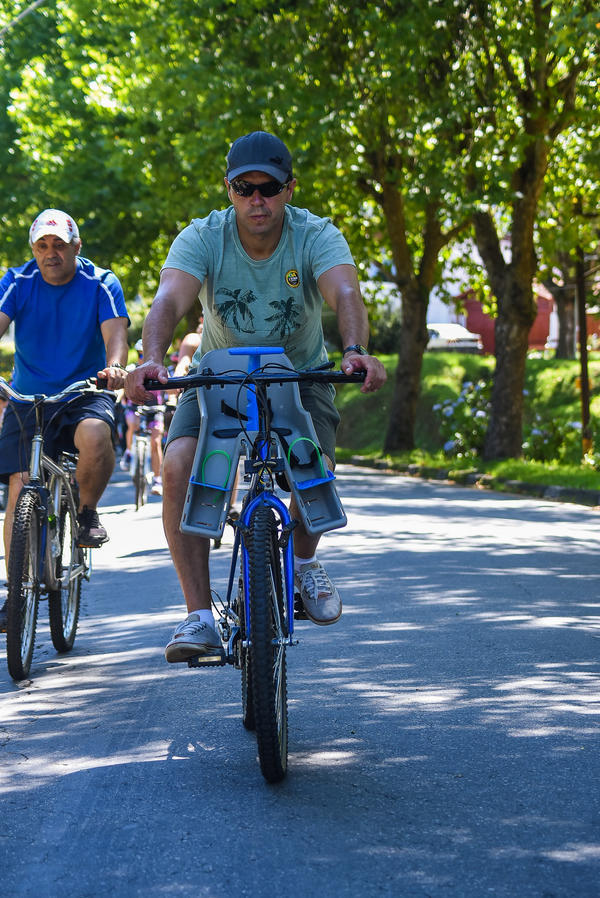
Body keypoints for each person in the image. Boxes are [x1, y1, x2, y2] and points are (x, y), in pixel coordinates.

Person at [125, 131, 386, 663]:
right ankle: (198, 617)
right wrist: (152, 358)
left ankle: (304, 562)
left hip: (300, 375)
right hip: (218, 376)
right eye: (245, 188)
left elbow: (345, 292)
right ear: (229, 189)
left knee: (317, 466)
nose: (257, 200)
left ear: (289, 189)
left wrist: (356, 348)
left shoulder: (315, 234)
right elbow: (170, 299)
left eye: (268, 188)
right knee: (176, 465)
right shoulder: (203, 237)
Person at [0, 208, 129, 630]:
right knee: (20, 485)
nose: (51, 253)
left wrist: (114, 368)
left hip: (83, 391)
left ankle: (87, 512)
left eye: (59, 245)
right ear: (33, 250)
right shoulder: (17, 282)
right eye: (42, 246)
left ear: (77, 246)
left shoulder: (100, 282)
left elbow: (116, 337)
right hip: (28, 396)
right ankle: (14, 589)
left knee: (95, 435)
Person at [120, 339, 165, 495]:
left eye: (144, 354)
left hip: (155, 409)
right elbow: (122, 387)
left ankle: (158, 479)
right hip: (135, 407)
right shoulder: (132, 369)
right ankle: (129, 452)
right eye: (140, 354)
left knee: (156, 441)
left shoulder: (161, 369)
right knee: (132, 423)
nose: (142, 358)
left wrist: (173, 401)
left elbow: (172, 390)